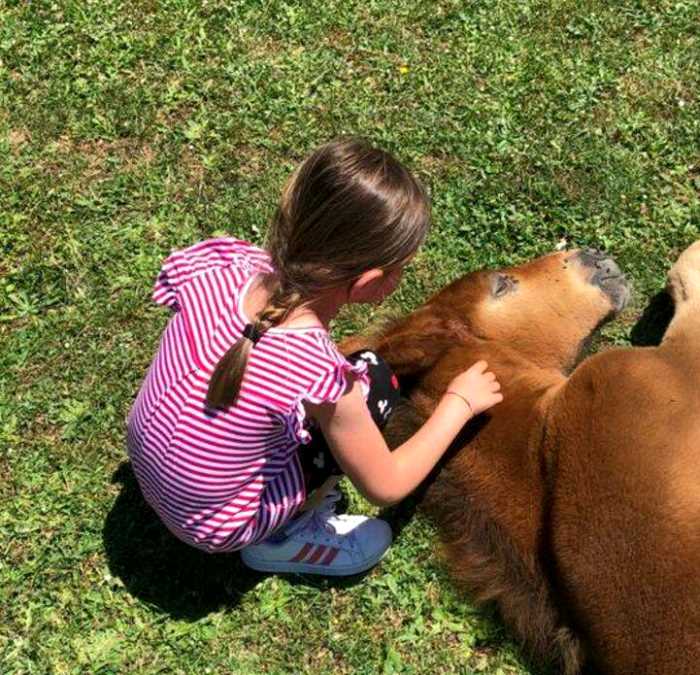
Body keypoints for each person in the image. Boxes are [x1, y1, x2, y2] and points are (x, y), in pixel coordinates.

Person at [126, 137, 503, 577]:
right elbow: (386, 484)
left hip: (151, 462)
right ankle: (282, 538)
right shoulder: (317, 374)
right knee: (376, 383)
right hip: (215, 523)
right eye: (401, 267)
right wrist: (458, 405)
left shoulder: (221, 269)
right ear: (367, 283)